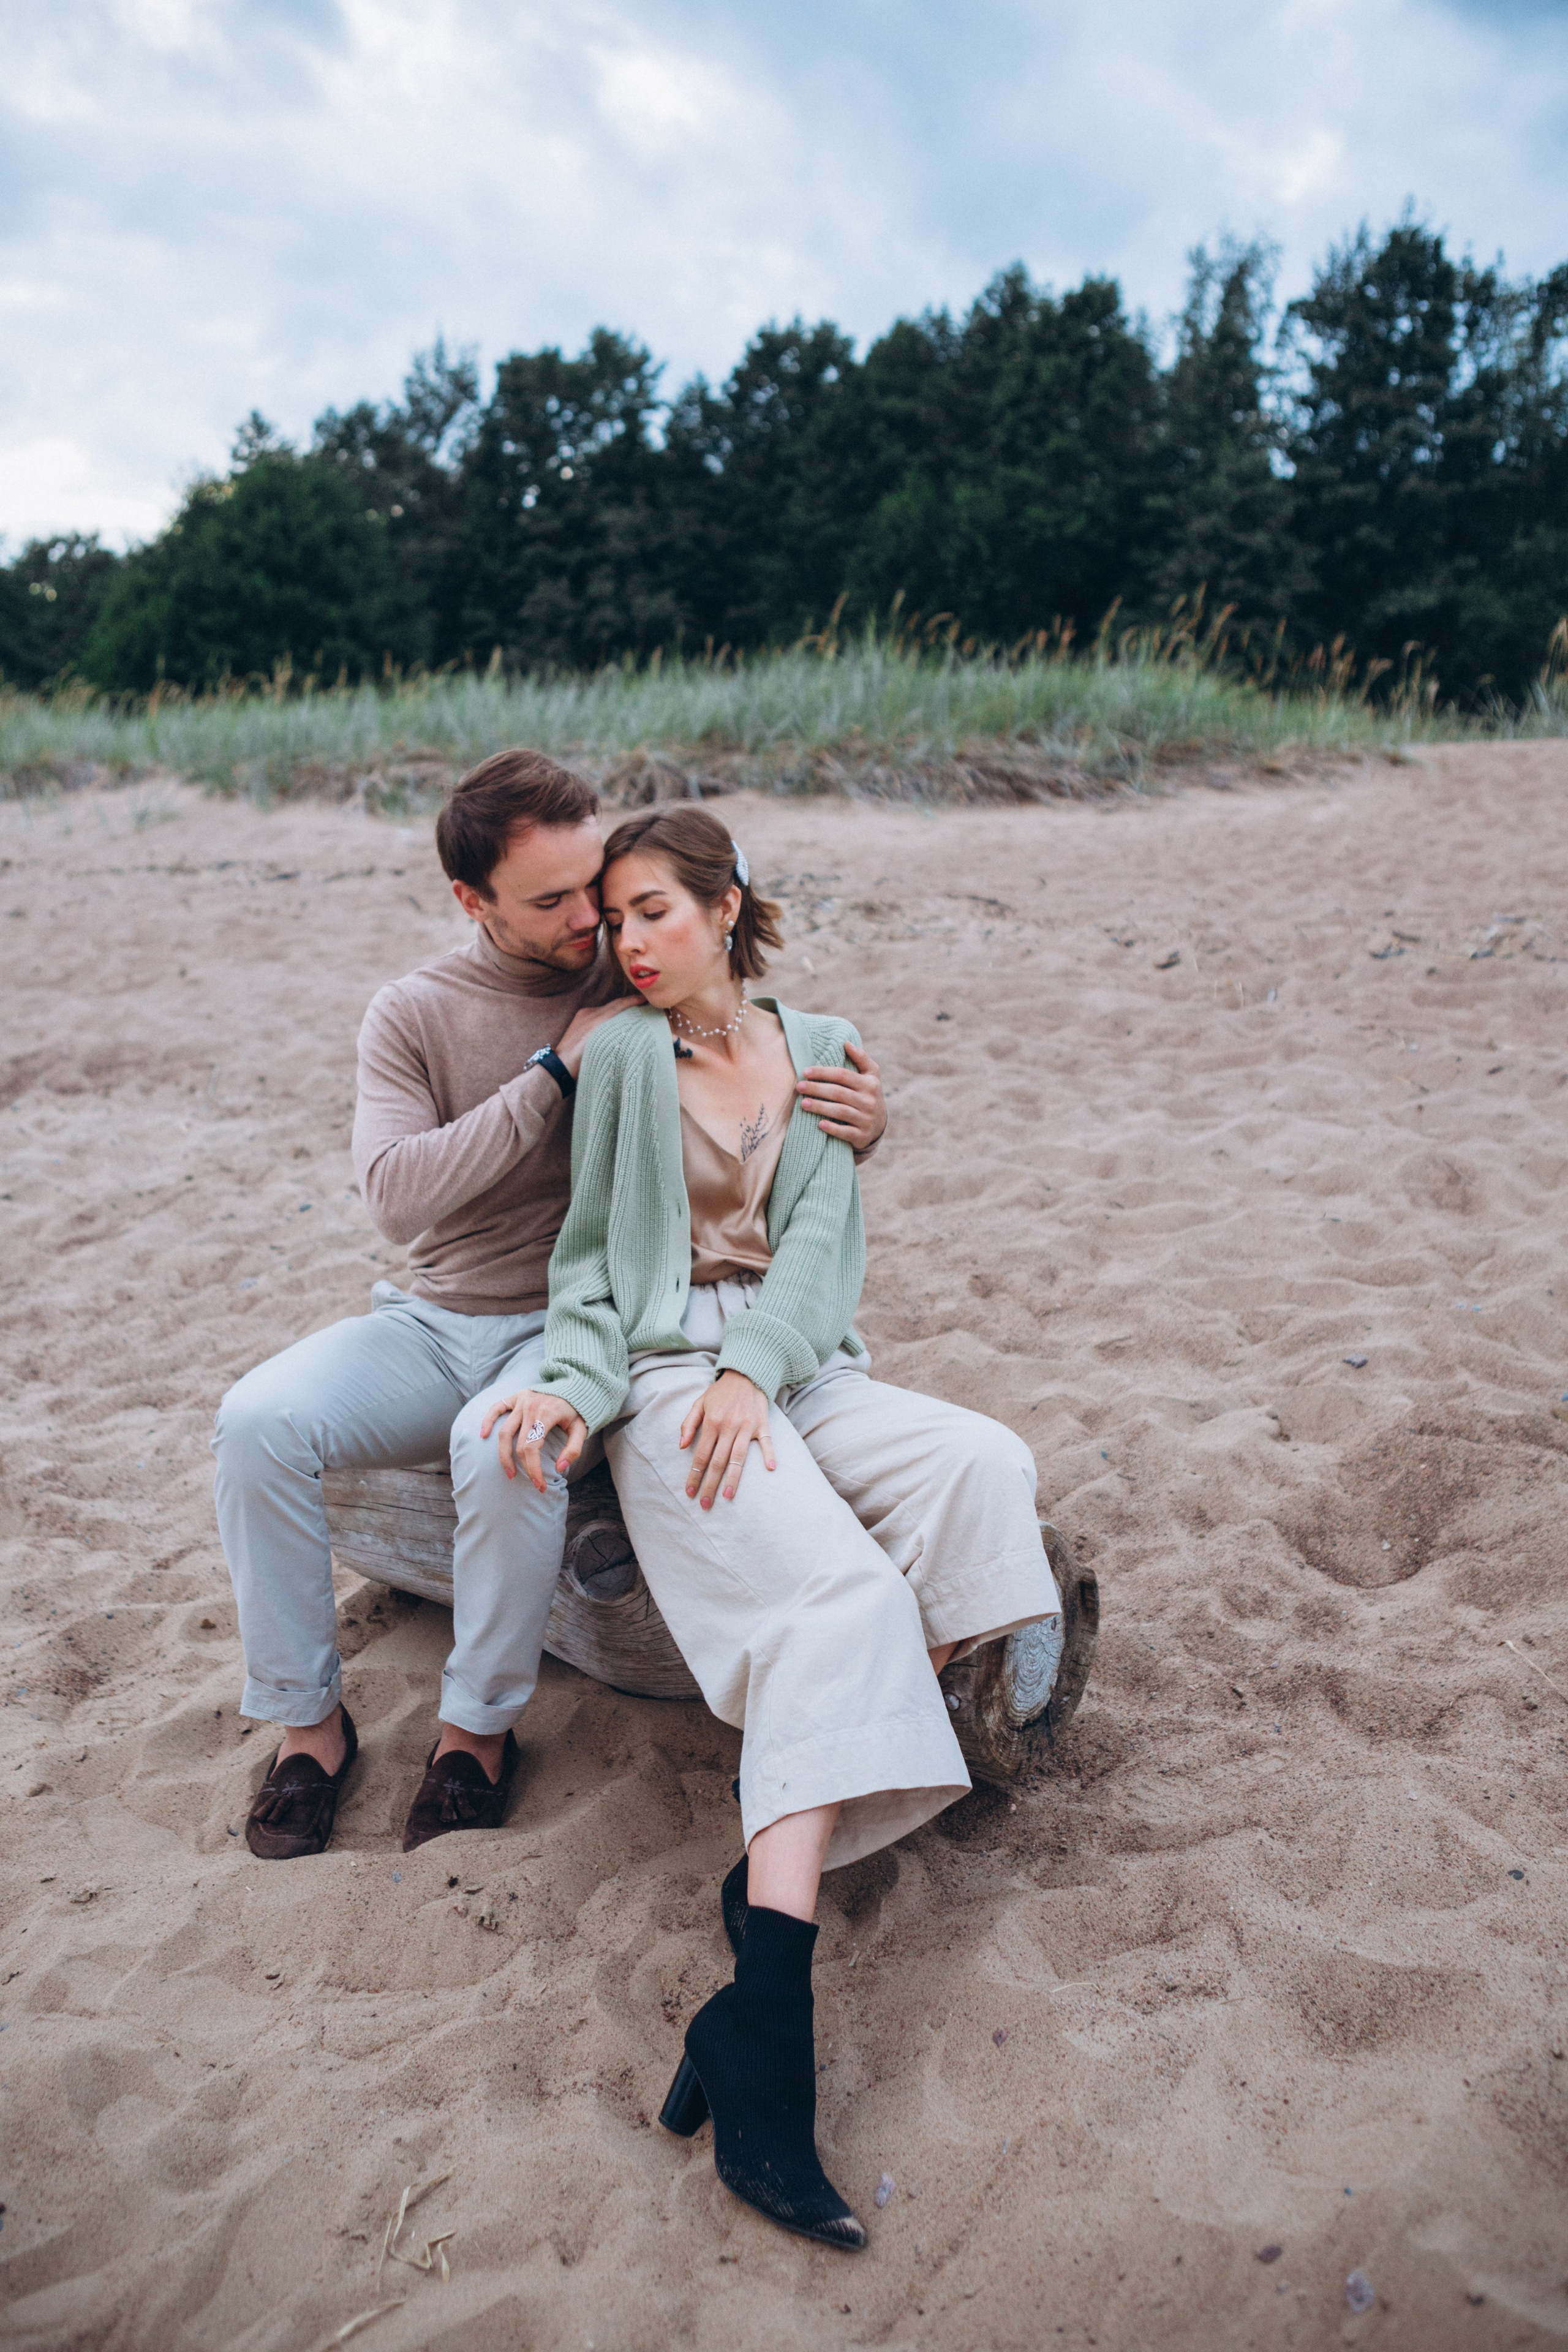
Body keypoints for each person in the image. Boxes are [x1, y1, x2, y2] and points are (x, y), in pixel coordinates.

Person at [486, 804, 1058, 2250]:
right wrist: (576, 1391)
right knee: (836, 1604)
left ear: (728, 906)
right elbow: (591, 1269)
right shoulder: (616, 1056)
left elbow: (822, 1246)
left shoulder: (824, 1043)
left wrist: (765, 1368)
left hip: (801, 1362)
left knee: (981, 1464)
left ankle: (785, 1849)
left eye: (653, 912)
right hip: (674, 1379)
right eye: (613, 920)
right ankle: (766, 2034)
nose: (627, 941)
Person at [210, 752, 889, 1858]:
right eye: (553, 900)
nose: (593, 922)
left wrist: (861, 1112)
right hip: (433, 1320)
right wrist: (549, 1078)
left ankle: (475, 1735)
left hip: (585, 1326)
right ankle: (305, 1727)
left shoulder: (632, 964)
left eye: (597, 886)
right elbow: (396, 1197)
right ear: (471, 901)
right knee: (256, 1422)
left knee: (505, 1449)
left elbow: (753, 1077)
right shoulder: (414, 1011)